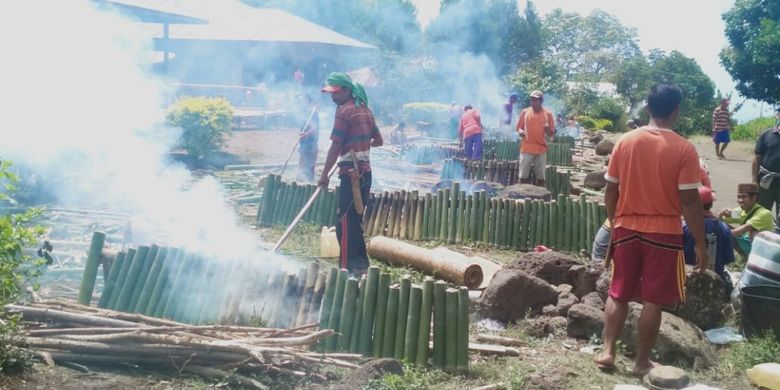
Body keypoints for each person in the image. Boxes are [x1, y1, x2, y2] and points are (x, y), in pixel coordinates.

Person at [596, 83, 709, 376]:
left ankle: (607, 351)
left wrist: (615, 221)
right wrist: (700, 242)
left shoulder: (626, 141)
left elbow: (611, 191)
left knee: (618, 292)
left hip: (626, 227)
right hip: (665, 233)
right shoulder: (685, 149)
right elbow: (689, 200)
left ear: (647, 108)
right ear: (676, 111)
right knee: (653, 300)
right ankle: (641, 362)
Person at [319, 72, 383, 276]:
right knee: (356, 221)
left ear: (346, 91)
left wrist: (324, 174)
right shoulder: (365, 110)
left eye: (336, 93)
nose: (333, 97)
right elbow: (379, 140)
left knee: (344, 224)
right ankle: (361, 265)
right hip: (366, 174)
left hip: (350, 175)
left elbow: (336, 145)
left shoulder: (344, 111)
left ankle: (346, 268)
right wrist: (362, 144)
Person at [682, 186, 735, 295]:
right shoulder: (724, 228)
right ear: (711, 204)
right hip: (716, 284)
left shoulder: (683, 227)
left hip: (686, 280)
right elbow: (728, 259)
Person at [719, 183, 775, 256]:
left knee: (753, 233)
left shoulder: (764, 213)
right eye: (738, 197)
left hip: (763, 251)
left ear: (754, 198)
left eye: (743, 197)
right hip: (746, 244)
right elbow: (718, 221)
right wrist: (722, 213)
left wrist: (717, 235)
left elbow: (741, 230)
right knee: (720, 226)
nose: (740, 200)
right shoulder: (740, 211)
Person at [515, 90, 555, 186]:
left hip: (541, 149)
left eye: (536, 100)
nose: (533, 102)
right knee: (523, 175)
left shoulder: (548, 114)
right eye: (532, 100)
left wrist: (547, 129)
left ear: (541, 101)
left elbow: (551, 134)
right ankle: (521, 195)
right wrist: (520, 131)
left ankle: (540, 196)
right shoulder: (525, 112)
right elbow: (518, 127)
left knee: (541, 176)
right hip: (527, 147)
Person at [753, 107, 780, 217]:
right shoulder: (767, 134)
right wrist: (754, 180)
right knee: (760, 215)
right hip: (765, 181)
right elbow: (757, 158)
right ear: (777, 115)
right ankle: (759, 234)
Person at [297, 95, 319, 183]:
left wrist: (305, 135)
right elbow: (302, 128)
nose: (301, 104)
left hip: (310, 144)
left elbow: (314, 128)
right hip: (303, 144)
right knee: (302, 167)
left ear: (309, 103)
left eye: (304, 101)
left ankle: (308, 184)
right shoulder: (305, 113)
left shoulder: (312, 112)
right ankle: (301, 182)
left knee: (308, 167)